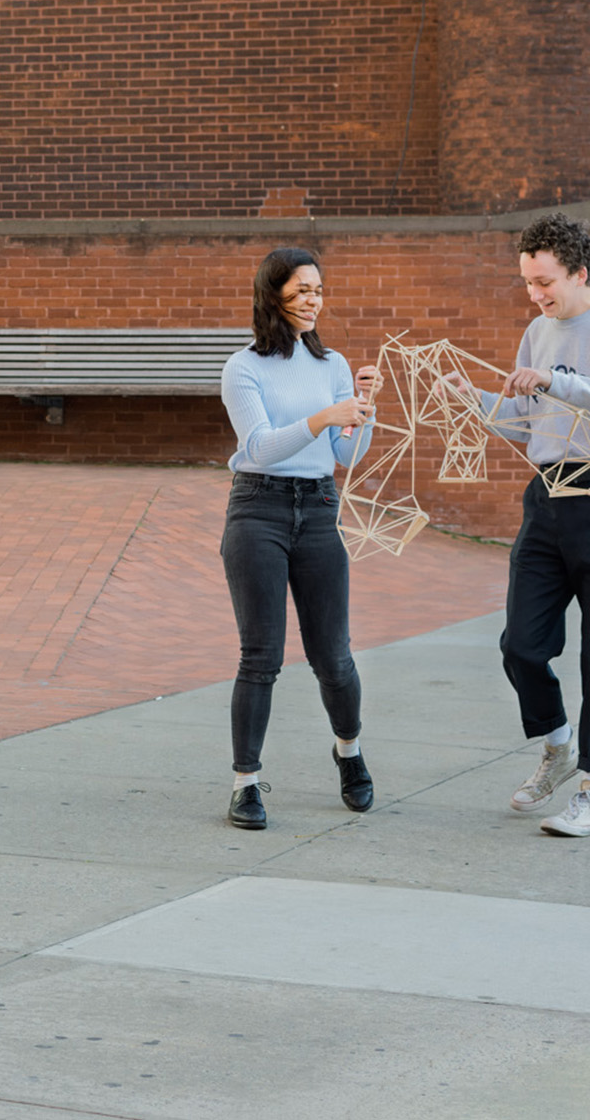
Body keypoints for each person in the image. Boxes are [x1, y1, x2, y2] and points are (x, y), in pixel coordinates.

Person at [450, 211, 590, 838]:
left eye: (545, 281)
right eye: (527, 282)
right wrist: (476, 401)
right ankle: (557, 745)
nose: (537, 294)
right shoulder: (537, 332)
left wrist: (561, 381)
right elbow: (524, 422)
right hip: (547, 499)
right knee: (521, 644)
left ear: (579, 271)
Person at [218, 246, 382, 831]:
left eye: (318, 291)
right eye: (302, 291)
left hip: (317, 508)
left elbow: (342, 457)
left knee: (333, 657)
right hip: (257, 509)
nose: (313, 301)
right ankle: (245, 784)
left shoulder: (333, 363)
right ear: (274, 295)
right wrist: (323, 416)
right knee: (259, 656)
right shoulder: (244, 367)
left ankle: (349, 752)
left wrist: (360, 411)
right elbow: (259, 447)